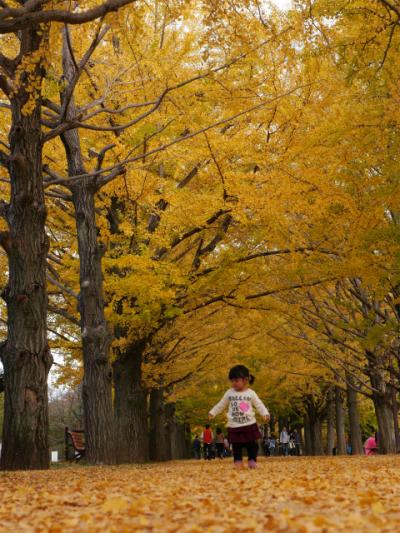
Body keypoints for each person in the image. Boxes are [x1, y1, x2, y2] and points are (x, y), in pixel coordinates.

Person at [208, 364, 270, 469]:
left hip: (249, 423)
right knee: (236, 445)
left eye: (236, 381)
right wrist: (212, 412)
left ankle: (252, 460)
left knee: (252, 444)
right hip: (234, 425)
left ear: (245, 380)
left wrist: (265, 413)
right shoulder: (229, 393)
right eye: (232, 381)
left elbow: (259, 404)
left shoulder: (251, 393)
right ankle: (237, 461)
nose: (234, 383)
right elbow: (221, 404)